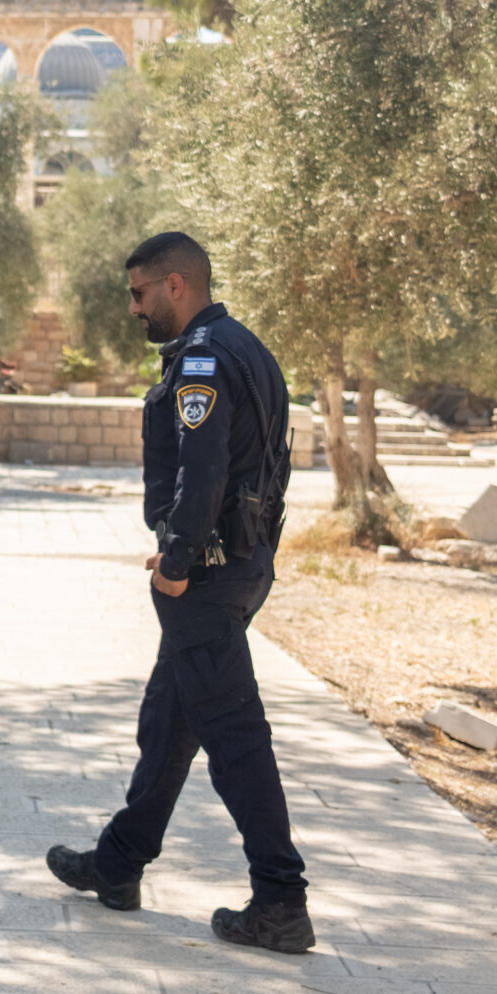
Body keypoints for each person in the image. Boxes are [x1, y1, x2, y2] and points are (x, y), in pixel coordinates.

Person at [45, 230, 312, 953]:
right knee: (169, 718)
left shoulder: (200, 359)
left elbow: (204, 471)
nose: (132, 308)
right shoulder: (245, 345)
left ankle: (281, 895)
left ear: (175, 286)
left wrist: (178, 558)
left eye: (138, 293)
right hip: (244, 565)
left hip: (208, 573)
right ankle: (120, 862)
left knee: (233, 736)